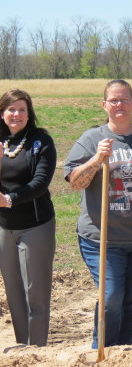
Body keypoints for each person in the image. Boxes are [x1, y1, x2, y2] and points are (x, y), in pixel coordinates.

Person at [64, 79, 132, 348]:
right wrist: (97, 160)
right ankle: (103, 353)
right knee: (111, 297)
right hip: (103, 239)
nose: (119, 104)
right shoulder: (91, 138)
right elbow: (75, 182)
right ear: (104, 104)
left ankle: (124, 353)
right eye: (114, 100)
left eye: (125, 99)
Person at [0, 89, 56, 346]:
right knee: (13, 292)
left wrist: (10, 199)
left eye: (22, 109)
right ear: (2, 113)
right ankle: (24, 348)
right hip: (3, 227)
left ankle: (39, 349)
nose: (17, 114)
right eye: (11, 109)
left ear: (29, 113)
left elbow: (41, 182)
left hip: (35, 226)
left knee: (35, 292)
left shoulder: (40, 140)